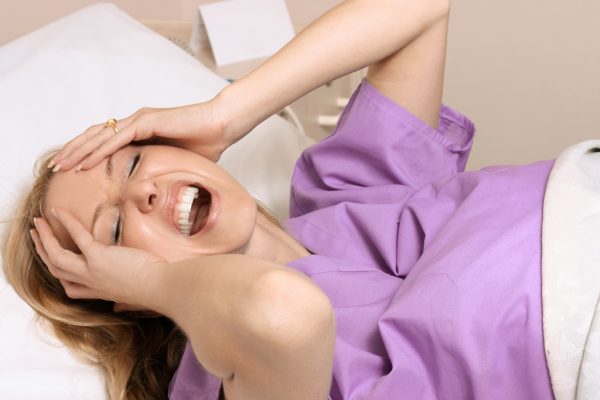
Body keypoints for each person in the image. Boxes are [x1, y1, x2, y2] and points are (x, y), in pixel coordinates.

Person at [1, 0, 558, 399]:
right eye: (115, 230)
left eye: (132, 164)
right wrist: (150, 283)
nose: (142, 192)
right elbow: (285, 313)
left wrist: (225, 115)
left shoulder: (343, 191)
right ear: (122, 288)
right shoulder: (231, 370)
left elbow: (420, 9)